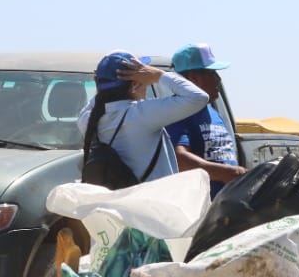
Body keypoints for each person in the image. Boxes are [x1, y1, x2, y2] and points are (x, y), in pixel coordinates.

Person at [79, 51, 209, 184]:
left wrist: (103, 82)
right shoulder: (141, 114)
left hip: (111, 202)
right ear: (134, 84)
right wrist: (159, 75)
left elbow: (101, 98)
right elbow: (198, 97)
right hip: (150, 202)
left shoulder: (86, 119)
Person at [166, 43, 246, 196]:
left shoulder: (212, 111)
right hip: (199, 208)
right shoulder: (178, 111)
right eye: (212, 73)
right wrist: (227, 173)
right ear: (193, 77)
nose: (218, 79)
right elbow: (179, 159)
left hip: (224, 205)